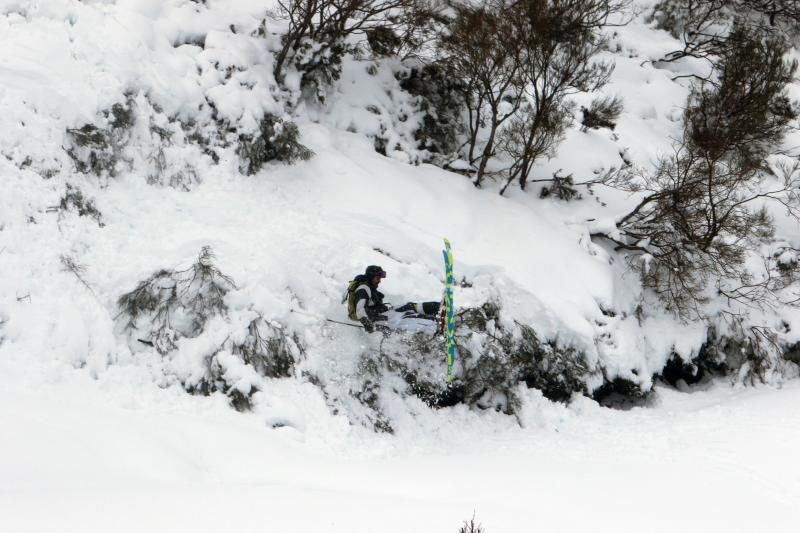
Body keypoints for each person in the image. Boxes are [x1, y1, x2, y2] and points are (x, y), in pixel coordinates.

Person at [345, 265, 441, 333]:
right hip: (379, 318)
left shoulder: (369, 287)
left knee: (408, 306)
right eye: (377, 278)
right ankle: (437, 326)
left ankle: (438, 308)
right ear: (371, 277)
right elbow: (359, 309)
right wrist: (367, 323)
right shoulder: (363, 289)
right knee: (407, 317)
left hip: (384, 312)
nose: (379, 281)